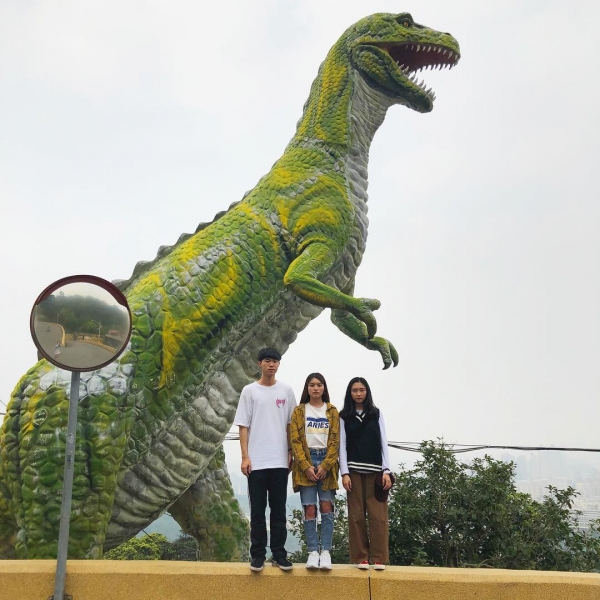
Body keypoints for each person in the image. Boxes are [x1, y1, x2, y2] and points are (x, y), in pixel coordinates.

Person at [233, 347, 296, 572]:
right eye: (267, 361)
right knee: (258, 512)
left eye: (275, 361)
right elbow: (243, 425)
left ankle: (279, 554)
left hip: (280, 462)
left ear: (279, 364)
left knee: (279, 512)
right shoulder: (249, 391)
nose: (271, 364)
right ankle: (258, 555)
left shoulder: (286, 391)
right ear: (259, 364)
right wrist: (245, 457)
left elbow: (291, 425)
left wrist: (291, 452)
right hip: (257, 462)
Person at [339, 377, 392, 570]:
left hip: (376, 473)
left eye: (362, 390)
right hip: (353, 471)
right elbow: (341, 446)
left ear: (367, 392)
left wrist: (386, 470)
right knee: (356, 516)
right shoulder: (344, 416)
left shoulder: (376, 414)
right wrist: (344, 473)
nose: (358, 394)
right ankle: (361, 557)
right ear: (350, 393)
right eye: (355, 390)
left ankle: (378, 558)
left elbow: (383, 442)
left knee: (378, 516)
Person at [290, 373, 340, 570]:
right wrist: (306, 466)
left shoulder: (332, 411)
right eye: (312, 385)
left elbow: (336, 441)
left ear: (324, 387)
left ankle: (325, 551)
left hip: (327, 461)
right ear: (307, 388)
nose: (316, 388)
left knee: (327, 508)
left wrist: (326, 465)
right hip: (306, 461)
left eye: (319, 385)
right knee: (309, 508)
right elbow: (295, 441)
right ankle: (312, 551)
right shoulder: (299, 411)